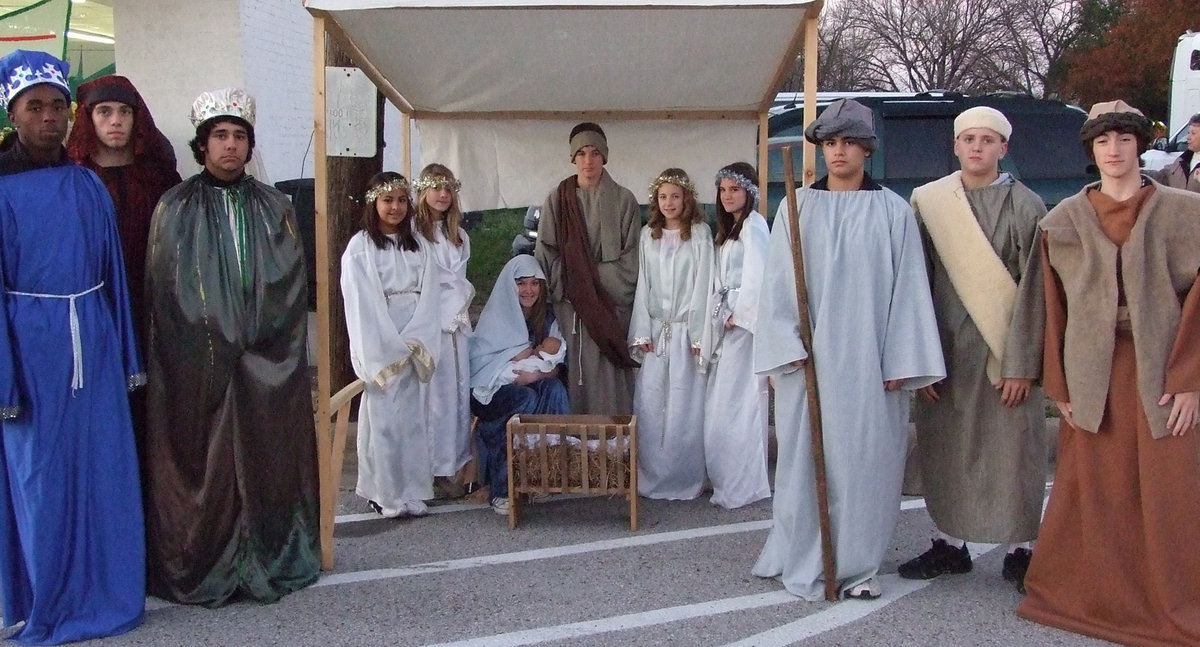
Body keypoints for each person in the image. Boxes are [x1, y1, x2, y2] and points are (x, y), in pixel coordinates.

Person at [1016, 100, 1200, 647]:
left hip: (1164, 372)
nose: (1114, 150)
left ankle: (1172, 599)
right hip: (1094, 376)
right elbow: (1049, 308)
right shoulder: (1062, 221)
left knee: (1172, 488)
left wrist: (1190, 378)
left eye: (1123, 139)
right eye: (1102, 141)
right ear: (1090, 150)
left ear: (1139, 145)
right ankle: (1097, 597)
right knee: (1096, 489)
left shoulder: (1185, 212)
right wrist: (1061, 385)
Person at [752, 98, 945, 601]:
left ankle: (856, 566)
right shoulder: (798, 209)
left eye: (848, 142)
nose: (838, 152)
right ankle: (801, 551)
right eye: (830, 142)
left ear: (866, 149)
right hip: (809, 363)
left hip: (869, 364)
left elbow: (909, 288)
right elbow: (776, 285)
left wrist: (903, 359)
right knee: (803, 463)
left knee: (865, 465)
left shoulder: (893, 211)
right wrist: (786, 342)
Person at [143, 87, 320, 605]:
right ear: (202, 145)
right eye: (219, 136)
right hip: (199, 368)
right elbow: (167, 294)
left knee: (268, 457)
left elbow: (290, 286)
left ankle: (269, 553)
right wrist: (214, 339)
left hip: (266, 364)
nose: (230, 146)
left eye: (239, 136)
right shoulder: (174, 207)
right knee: (209, 464)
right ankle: (207, 560)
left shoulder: (276, 207)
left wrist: (257, 340)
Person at [0, 49, 145, 644]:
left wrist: (125, 354)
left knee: (103, 471)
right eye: (36, 107)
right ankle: (46, 598)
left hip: (94, 341)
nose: (49, 118)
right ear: (12, 113)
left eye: (59, 107)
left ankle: (105, 591)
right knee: (42, 479)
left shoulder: (87, 183)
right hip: (30, 349)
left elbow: (111, 274)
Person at [901, 107, 1047, 592]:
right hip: (945, 350)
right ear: (956, 146)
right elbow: (915, 283)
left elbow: (1037, 293)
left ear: (1004, 147)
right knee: (945, 448)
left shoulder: (1027, 206)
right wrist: (921, 362)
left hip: (1005, 353)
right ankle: (949, 544)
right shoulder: (930, 203)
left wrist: (1022, 364)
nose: (977, 147)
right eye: (968, 139)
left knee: (1014, 452)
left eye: (988, 139)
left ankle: (1022, 551)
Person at [65, 75, 182, 448]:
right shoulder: (74, 180)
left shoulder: (159, 177)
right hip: (97, 306)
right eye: (104, 112)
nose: (115, 121)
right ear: (88, 118)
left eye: (124, 112)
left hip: (152, 304)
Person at [342, 172, 442, 518]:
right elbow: (361, 304)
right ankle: (384, 492)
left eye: (401, 200)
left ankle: (413, 488)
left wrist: (417, 338)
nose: (395, 207)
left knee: (413, 420)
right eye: (388, 200)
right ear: (374, 204)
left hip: (414, 338)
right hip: (382, 340)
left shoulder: (420, 245)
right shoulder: (361, 248)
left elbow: (430, 295)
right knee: (383, 422)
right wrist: (385, 347)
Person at [535, 122, 640, 415]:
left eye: (595, 153)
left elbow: (631, 261)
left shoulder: (623, 200)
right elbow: (545, 253)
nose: (588, 160)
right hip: (572, 307)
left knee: (610, 379)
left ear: (604, 156)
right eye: (581, 153)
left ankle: (614, 449)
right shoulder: (558, 199)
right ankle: (575, 449)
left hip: (609, 308)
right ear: (573, 158)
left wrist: (587, 279)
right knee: (573, 375)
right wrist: (576, 283)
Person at [628, 169, 713, 500]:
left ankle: (684, 475)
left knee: (684, 405)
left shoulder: (700, 234)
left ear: (687, 198)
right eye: (663, 197)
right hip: (656, 331)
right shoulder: (648, 235)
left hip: (684, 332)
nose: (669, 203)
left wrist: (697, 334)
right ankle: (652, 474)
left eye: (675, 196)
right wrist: (641, 329)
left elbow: (704, 284)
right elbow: (643, 285)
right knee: (652, 402)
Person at [469, 254, 570, 514]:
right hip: (489, 390)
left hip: (531, 379)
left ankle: (546, 476)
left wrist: (535, 373)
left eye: (534, 283)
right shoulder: (497, 315)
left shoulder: (546, 317)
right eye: (521, 283)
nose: (528, 290)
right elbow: (480, 362)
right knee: (524, 399)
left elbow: (556, 362)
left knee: (554, 391)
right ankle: (502, 489)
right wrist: (514, 362)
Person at [701, 162, 771, 510]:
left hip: (744, 329)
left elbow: (759, 278)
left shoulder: (754, 228)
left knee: (740, 403)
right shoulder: (730, 229)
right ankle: (727, 476)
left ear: (750, 193)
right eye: (723, 189)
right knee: (723, 404)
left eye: (735, 189)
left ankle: (745, 482)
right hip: (727, 322)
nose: (728, 196)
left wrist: (739, 315)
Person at [412, 163, 473, 499]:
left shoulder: (459, 235)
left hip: (456, 323)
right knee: (431, 397)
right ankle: (425, 468)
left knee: (455, 395)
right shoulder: (414, 232)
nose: (442, 195)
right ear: (423, 191)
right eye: (436, 188)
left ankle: (449, 467)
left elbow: (459, 276)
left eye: (448, 189)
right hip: (430, 320)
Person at [1154, 112, 1200, 192]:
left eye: (1193, 133)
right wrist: (1138, 172)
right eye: (1188, 133)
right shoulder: (1181, 161)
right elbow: (1164, 176)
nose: (1188, 138)